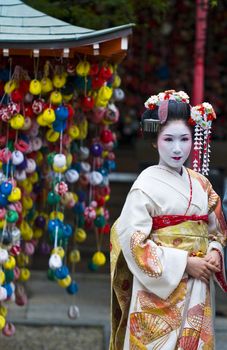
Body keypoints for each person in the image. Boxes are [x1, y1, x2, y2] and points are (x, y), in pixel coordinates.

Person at [109, 90, 227, 350]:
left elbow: (217, 228)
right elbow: (133, 241)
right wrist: (185, 263)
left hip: (198, 283)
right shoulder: (144, 186)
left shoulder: (201, 184)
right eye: (169, 139)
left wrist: (216, 251)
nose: (177, 148)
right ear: (155, 141)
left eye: (184, 139)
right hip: (158, 291)